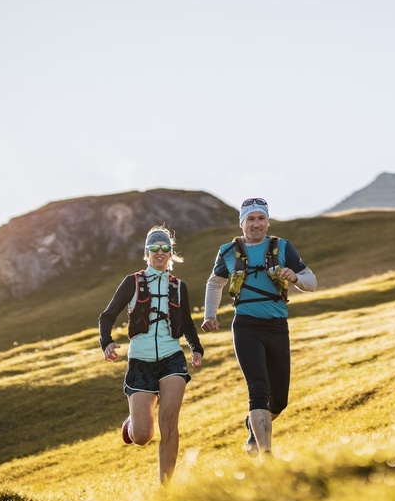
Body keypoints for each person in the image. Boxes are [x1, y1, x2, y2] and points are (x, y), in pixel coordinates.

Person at [201, 198, 317, 456]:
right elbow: (215, 283)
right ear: (241, 223)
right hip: (246, 326)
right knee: (258, 389)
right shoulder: (228, 251)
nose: (256, 224)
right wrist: (210, 315)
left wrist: (295, 277)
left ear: (268, 221)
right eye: (250, 219)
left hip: (277, 327)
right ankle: (265, 454)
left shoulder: (282, 247)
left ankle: (253, 427)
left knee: (280, 400)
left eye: (261, 218)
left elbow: (312, 282)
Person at [98, 225, 204, 484]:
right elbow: (107, 316)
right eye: (154, 248)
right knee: (143, 435)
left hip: (172, 358)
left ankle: (166, 490)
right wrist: (107, 343)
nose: (159, 252)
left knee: (169, 423)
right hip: (140, 362)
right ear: (146, 253)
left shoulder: (179, 286)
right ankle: (133, 423)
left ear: (171, 253)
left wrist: (196, 348)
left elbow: (188, 323)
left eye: (165, 247)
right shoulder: (132, 282)